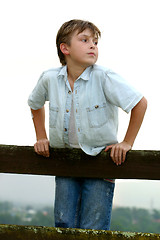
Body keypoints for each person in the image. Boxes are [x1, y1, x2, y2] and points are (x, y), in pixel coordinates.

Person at [28, 19, 147, 230]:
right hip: (64, 162)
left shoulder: (105, 77)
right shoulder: (49, 79)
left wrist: (127, 143)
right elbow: (35, 104)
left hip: (101, 162)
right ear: (65, 48)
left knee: (94, 227)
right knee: (64, 224)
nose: (93, 45)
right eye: (84, 40)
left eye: (95, 41)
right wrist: (40, 137)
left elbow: (139, 103)